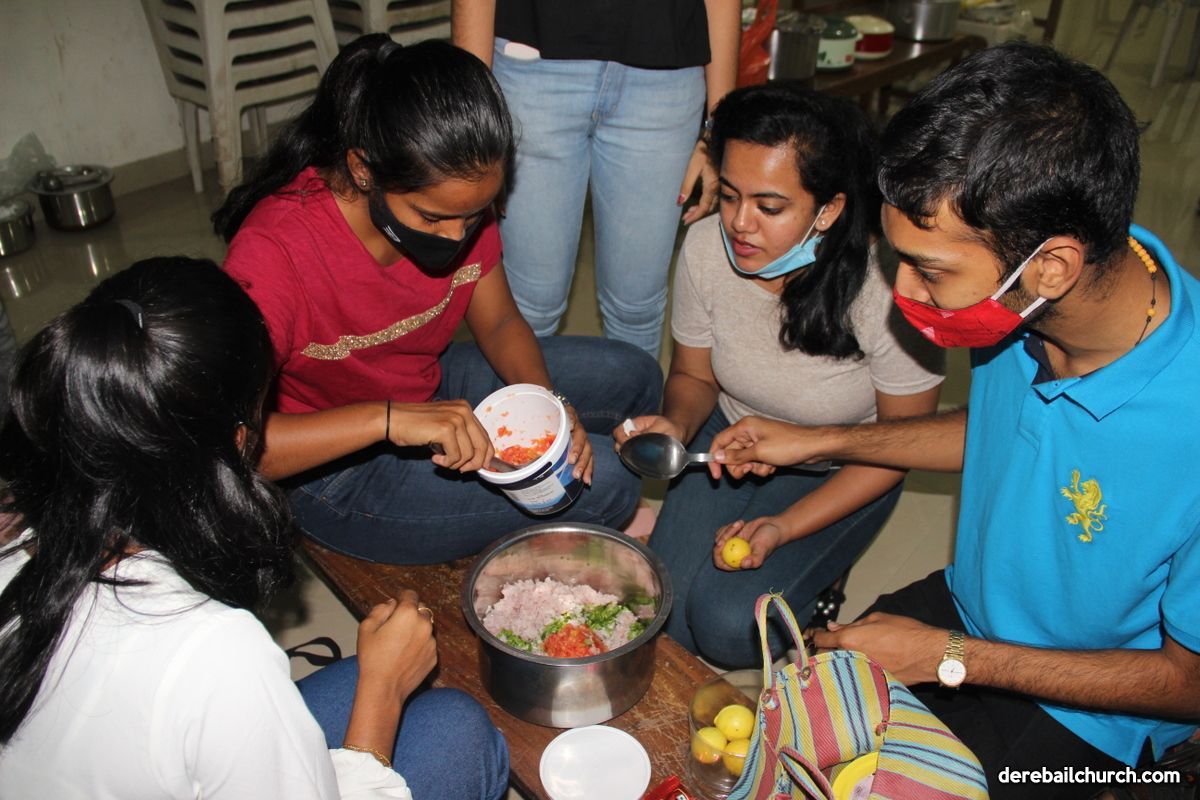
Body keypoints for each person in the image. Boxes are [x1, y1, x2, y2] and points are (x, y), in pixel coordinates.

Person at [711, 42, 1200, 797]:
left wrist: (950, 658)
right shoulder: (1020, 305)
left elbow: (1187, 684)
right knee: (804, 738)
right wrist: (821, 439)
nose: (904, 291)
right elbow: (1003, 435)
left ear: (1051, 268)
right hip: (969, 608)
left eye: (930, 269)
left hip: (1091, 718)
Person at [0, 257, 509, 799]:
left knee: (400, 695)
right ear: (241, 442)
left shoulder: (18, 532)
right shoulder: (216, 650)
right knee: (458, 732)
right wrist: (381, 693)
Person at [213, 36, 662, 565]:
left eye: (473, 217)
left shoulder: (457, 194)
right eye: (431, 218)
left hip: (421, 389)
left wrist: (550, 404)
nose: (456, 237)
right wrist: (389, 420)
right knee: (607, 485)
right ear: (363, 169)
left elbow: (499, 323)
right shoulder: (275, 252)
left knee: (634, 376)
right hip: (326, 468)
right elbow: (231, 445)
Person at [613, 83, 944, 669]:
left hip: (845, 465)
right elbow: (694, 375)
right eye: (729, 195)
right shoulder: (705, 248)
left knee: (729, 630)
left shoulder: (890, 286)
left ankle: (824, 578)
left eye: (769, 208)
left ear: (829, 210)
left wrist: (784, 527)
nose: (740, 224)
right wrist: (677, 425)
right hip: (728, 438)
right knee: (665, 610)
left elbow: (899, 448)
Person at [451, 0, 741, 357]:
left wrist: (720, 127)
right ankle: (526, 396)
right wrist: (472, 115)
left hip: (666, 71)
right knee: (528, 308)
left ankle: (631, 396)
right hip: (530, 62)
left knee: (636, 309)